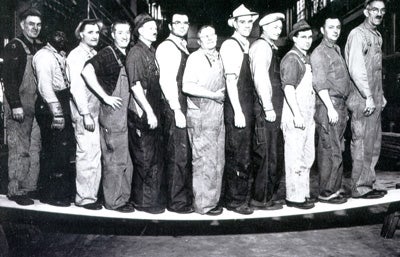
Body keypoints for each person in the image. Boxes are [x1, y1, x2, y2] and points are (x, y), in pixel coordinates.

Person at [81, 20, 134, 212]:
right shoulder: (107, 53)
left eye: (127, 32)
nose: (124, 36)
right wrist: (105, 97)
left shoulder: (125, 53)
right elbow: (86, 71)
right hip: (113, 115)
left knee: (125, 161)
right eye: (120, 32)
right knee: (114, 160)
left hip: (123, 115)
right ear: (112, 34)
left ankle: (123, 198)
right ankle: (114, 202)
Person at [344, 0, 387, 199]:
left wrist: (380, 96)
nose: (379, 13)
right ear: (365, 12)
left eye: (382, 10)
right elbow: (357, 68)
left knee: (373, 142)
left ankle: (368, 183)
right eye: (374, 10)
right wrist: (368, 96)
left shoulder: (376, 36)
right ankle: (359, 188)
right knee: (361, 143)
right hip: (362, 98)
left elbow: (376, 71)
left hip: (374, 97)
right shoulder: (357, 34)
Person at [220, 4, 258, 215]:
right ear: (234, 23)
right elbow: (230, 81)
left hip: (246, 106)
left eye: (249, 22)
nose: (246, 25)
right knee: (238, 155)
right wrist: (238, 111)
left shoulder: (246, 44)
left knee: (245, 154)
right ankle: (234, 201)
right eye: (242, 22)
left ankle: (239, 198)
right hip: (237, 108)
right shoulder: (231, 45)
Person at [182, 25, 225, 215]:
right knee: (203, 161)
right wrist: (212, 95)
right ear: (198, 41)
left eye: (212, 34)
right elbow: (187, 86)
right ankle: (203, 205)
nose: (209, 38)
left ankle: (212, 201)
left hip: (217, 114)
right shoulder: (195, 58)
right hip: (201, 114)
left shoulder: (219, 56)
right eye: (204, 36)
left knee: (217, 160)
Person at [2, 8, 42, 206]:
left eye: (38, 25)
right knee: (19, 148)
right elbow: (8, 80)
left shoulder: (36, 48)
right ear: (22, 25)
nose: (35, 28)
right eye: (31, 24)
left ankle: (28, 187)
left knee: (33, 147)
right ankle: (16, 191)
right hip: (19, 105)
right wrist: (15, 105)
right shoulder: (14, 47)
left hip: (33, 105)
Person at [156, 10, 194, 214]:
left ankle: (181, 198)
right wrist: (176, 109)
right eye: (177, 22)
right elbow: (166, 80)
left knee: (183, 154)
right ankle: (176, 202)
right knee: (177, 155)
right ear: (169, 26)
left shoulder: (182, 46)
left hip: (182, 104)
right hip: (174, 105)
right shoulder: (167, 47)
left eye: (185, 22)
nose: (182, 25)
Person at [125, 14, 164, 214]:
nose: (154, 30)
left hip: (153, 110)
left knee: (152, 156)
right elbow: (136, 86)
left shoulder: (151, 51)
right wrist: (149, 112)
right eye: (149, 27)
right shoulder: (136, 53)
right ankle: (143, 202)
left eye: (155, 27)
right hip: (142, 113)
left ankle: (150, 200)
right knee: (144, 156)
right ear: (139, 30)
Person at [310, 15, 350, 204]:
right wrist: (330, 108)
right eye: (331, 27)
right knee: (329, 149)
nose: (335, 30)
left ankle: (334, 188)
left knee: (337, 148)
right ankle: (326, 192)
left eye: (338, 27)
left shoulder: (336, 50)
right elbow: (319, 83)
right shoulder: (319, 53)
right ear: (322, 30)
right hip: (329, 105)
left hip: (339, 105)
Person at [33, 30, 75, 207]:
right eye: (57, 34)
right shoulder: (44, 56)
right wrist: (57, 112)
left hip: (62, 99)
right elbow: (45, 87)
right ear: (49, 37)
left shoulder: (59, 55)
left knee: (62, 150)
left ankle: (60, 192)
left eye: (63, 35)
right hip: (51, 104)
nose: (62, 38)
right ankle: (50, 194)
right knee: (54, 149)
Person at [249, 12, 285, 210]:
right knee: (266, 154)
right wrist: (268, 106)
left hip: (272, 109)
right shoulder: (261, 47)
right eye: (274, 27)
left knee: (272, 153)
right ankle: (261, 199)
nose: (278, 30)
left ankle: (268, 195)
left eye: (280, 27)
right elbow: (261, 78)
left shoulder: (270, 47)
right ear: (264, 27)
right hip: (266, 109)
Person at [67, 19, 103, 210]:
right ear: (80, 34)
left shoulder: (93, 54)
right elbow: (76, 88)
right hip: (85, 112)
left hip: (94, 110)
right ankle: (85, 198)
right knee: (87, 154)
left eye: (96, 32)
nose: (94, 35)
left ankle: (91, 194)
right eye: (90, 32)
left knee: (94, 153)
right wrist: (85, 113)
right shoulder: (76, 56)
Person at [280, 20, 315, 209]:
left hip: (307, 115)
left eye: (310, 37)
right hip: (296, 115)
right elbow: (289, 89)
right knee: (295, 158)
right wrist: (297, 114)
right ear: (294, 38)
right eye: (303, 37)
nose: (308, 41)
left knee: (307, 157)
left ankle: (303, 193)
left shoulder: (305, 57)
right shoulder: (292, 58)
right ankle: (294, 197)